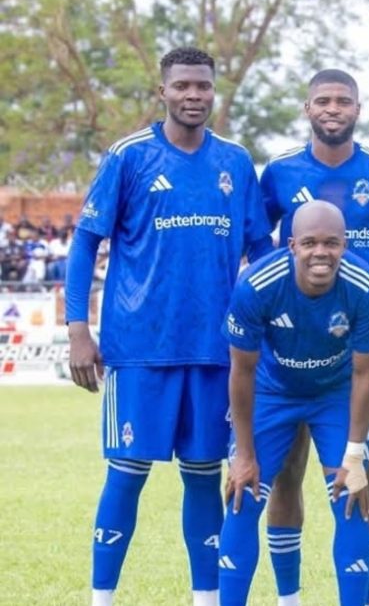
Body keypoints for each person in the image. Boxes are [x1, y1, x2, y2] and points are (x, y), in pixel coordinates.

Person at [64, 46, 272, 606]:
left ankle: (206, 599)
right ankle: (100, 599)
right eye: (183, 86)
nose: (194, 96)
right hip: (140, 348)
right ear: (163, 91)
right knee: (126, 473)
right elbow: (85, 241)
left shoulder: (233, 162)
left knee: (205, 477)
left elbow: (262, 249)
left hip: (216, 351)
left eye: (203, 86)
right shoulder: (129, 156)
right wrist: (77, 327)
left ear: (214, 91)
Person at [257, 69, 369, 606]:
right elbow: (258, 245)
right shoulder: (279, 171)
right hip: (294, 346)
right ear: (307, 108)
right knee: (287, 470)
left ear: (358, 108)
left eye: (344, 100)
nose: (333, 108)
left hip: (363, 344)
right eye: (323, 100)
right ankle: (288, 596)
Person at [218, 201, 369, 606]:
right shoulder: (257, 285)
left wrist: (356, 455)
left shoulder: (365, 288)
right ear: (291, 244)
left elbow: (366, 374)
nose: (320, 253)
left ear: (345, 245)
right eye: (309, 242)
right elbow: (241, 372)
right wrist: (242, 454)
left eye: (331, 243)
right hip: (273, 393)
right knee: (244, 492)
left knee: (351, 493)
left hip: (334, 394)